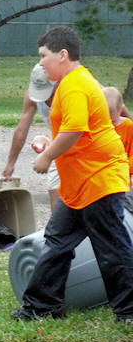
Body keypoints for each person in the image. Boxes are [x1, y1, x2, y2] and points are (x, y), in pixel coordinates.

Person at [11, 26, 133, 323]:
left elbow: (76, 129)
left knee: (111, 248)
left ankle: (129, 311)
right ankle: (41, 307)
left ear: (62, 54)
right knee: (57, 241)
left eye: (44, 56)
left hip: (98, 179)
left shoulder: (75, 84)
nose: (40, 63)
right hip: (79, 184)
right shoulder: (73, 82)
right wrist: (51, 144)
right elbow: (75, 131)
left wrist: (47, 156)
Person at [2, 64, 60, 210]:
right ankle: (59, 224)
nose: (44, 97)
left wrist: (48, 154)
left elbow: (74, 131)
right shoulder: (32, 96)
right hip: (61, 140)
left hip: (84, 141)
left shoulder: (71, 90)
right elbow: (21, 130)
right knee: (54, 187)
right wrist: (10, 164)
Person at [104, 86, 133, 179]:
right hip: (106, 171)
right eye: (106, 121)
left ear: (120, 110)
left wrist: (127, 169)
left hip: (126, 171)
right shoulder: (99, 127)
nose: (110, 125)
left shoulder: (128, 126)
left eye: (113, 121)